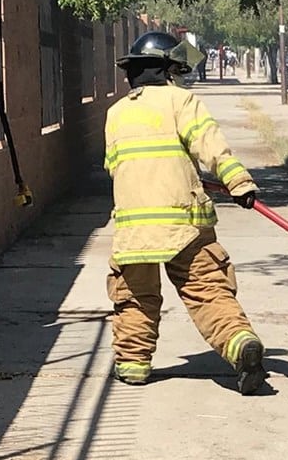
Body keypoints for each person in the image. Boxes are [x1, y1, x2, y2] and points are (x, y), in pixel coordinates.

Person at [105, 31, 267, 395]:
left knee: (134, 298)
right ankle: (239, 343)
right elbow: (211, 146)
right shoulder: (182, 101)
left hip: (134, 232)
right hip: (185, 226)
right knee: (208, 289)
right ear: (168, 69)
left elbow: (115, 167)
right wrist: (239, 183)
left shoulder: (115, 114)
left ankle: (133, 366)